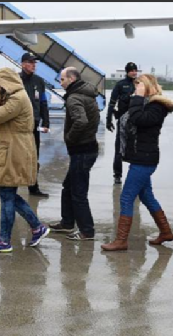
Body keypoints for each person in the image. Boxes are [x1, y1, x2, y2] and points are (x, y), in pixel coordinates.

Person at [102, 74, 173, 251]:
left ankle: (121, 241)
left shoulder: (157, 106)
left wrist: (137, 97)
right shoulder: (146, 104)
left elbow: (139, 120)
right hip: (140, 157)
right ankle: (166, 232)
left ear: (148, 86)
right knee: (146, 196)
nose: (136, 88)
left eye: (139, 85)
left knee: (126, 197)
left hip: (145, 159)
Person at [0, 68, 50, 254]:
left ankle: (5, 240)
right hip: (13, 148)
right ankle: (36, 227)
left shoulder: (17, 99)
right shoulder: (17, 96)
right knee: (8, 193)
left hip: (13, 150)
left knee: (7, 194)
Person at [49, 67, 100, 240]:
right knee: (68, 186)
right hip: (88, 147)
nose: (60, 82)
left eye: (62, 79)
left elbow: (81, 121)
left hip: (82, 150)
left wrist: (70, 139)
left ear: (71, 79)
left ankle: (87, 230)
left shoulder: (74, 98)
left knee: (78, 193)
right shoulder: (88, 93)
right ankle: (67, 222)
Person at [20, 52, 50, 198]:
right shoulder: (16, 80)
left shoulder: (39, 81)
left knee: (34, 157)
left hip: (34, 125)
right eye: (30, 62)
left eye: (35, 63)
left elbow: (43, 102)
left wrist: (46, 121)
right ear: (23, 64)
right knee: (19, 156)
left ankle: (33, 187)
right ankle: (13, 184)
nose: (33, 65)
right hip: (20, 127)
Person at [106, 62, 138, 185]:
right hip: (123, 121)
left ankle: (134, 173)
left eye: (135, 70)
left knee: (135, 148)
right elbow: (112, 103)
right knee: (119, 148)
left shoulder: (139, 84)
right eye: (131, 70)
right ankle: (117, 175)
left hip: (136, 120)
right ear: (127, 72)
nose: (134, 72)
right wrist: (109, 119)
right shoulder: (120, 85)